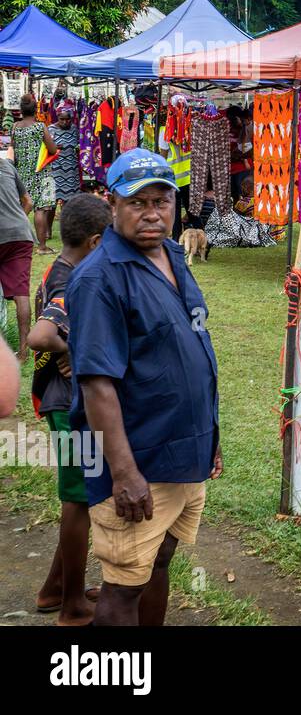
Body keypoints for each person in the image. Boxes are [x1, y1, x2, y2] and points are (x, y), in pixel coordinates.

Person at [67, 148, 221, 626]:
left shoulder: (172, 254)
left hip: (183, 450)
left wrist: (208, 439)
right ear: (111, 203)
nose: (153, 213)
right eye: (138, 202)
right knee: (122, 589)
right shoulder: (99, 278)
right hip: (138, 458)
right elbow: (96, 384)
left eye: (163, 201)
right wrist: (125, 473)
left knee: (158, 563)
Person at [30, 194, 112, 625]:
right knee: (79, 502)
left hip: (61, 401)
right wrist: (76, 349)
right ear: (97, 242)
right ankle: (72, 605)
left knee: (79, 498)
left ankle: (55, 589)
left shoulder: (61, 267)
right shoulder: (69, 279)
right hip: (69, 405)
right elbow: (40, 337)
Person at [11, 94, 58, 254]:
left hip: (21, 173)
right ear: (36, 109)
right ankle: (42, 247)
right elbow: (52, 150)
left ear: (21, 110)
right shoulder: (40, 127)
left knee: (22, 208)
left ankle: (15, 243)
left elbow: (13, 149)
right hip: (41, 172)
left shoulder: (15, 127)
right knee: (41, 209)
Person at [0, 153, 35, 361]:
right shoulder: (6, 165)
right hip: (21, 234)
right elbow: (28, 202)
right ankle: (23, 352)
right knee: (21, 293)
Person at [49, 103, 82, 207]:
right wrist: (53, 147)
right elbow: (43, 150)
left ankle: (66, 222)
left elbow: (79, 145)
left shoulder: (74, 129)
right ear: (57, 117)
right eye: (61, 119)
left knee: (69, 204)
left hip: (71, 171)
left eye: (67, 119)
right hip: (55, 171)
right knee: (51, 205)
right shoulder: (50, 129)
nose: (64, 122)